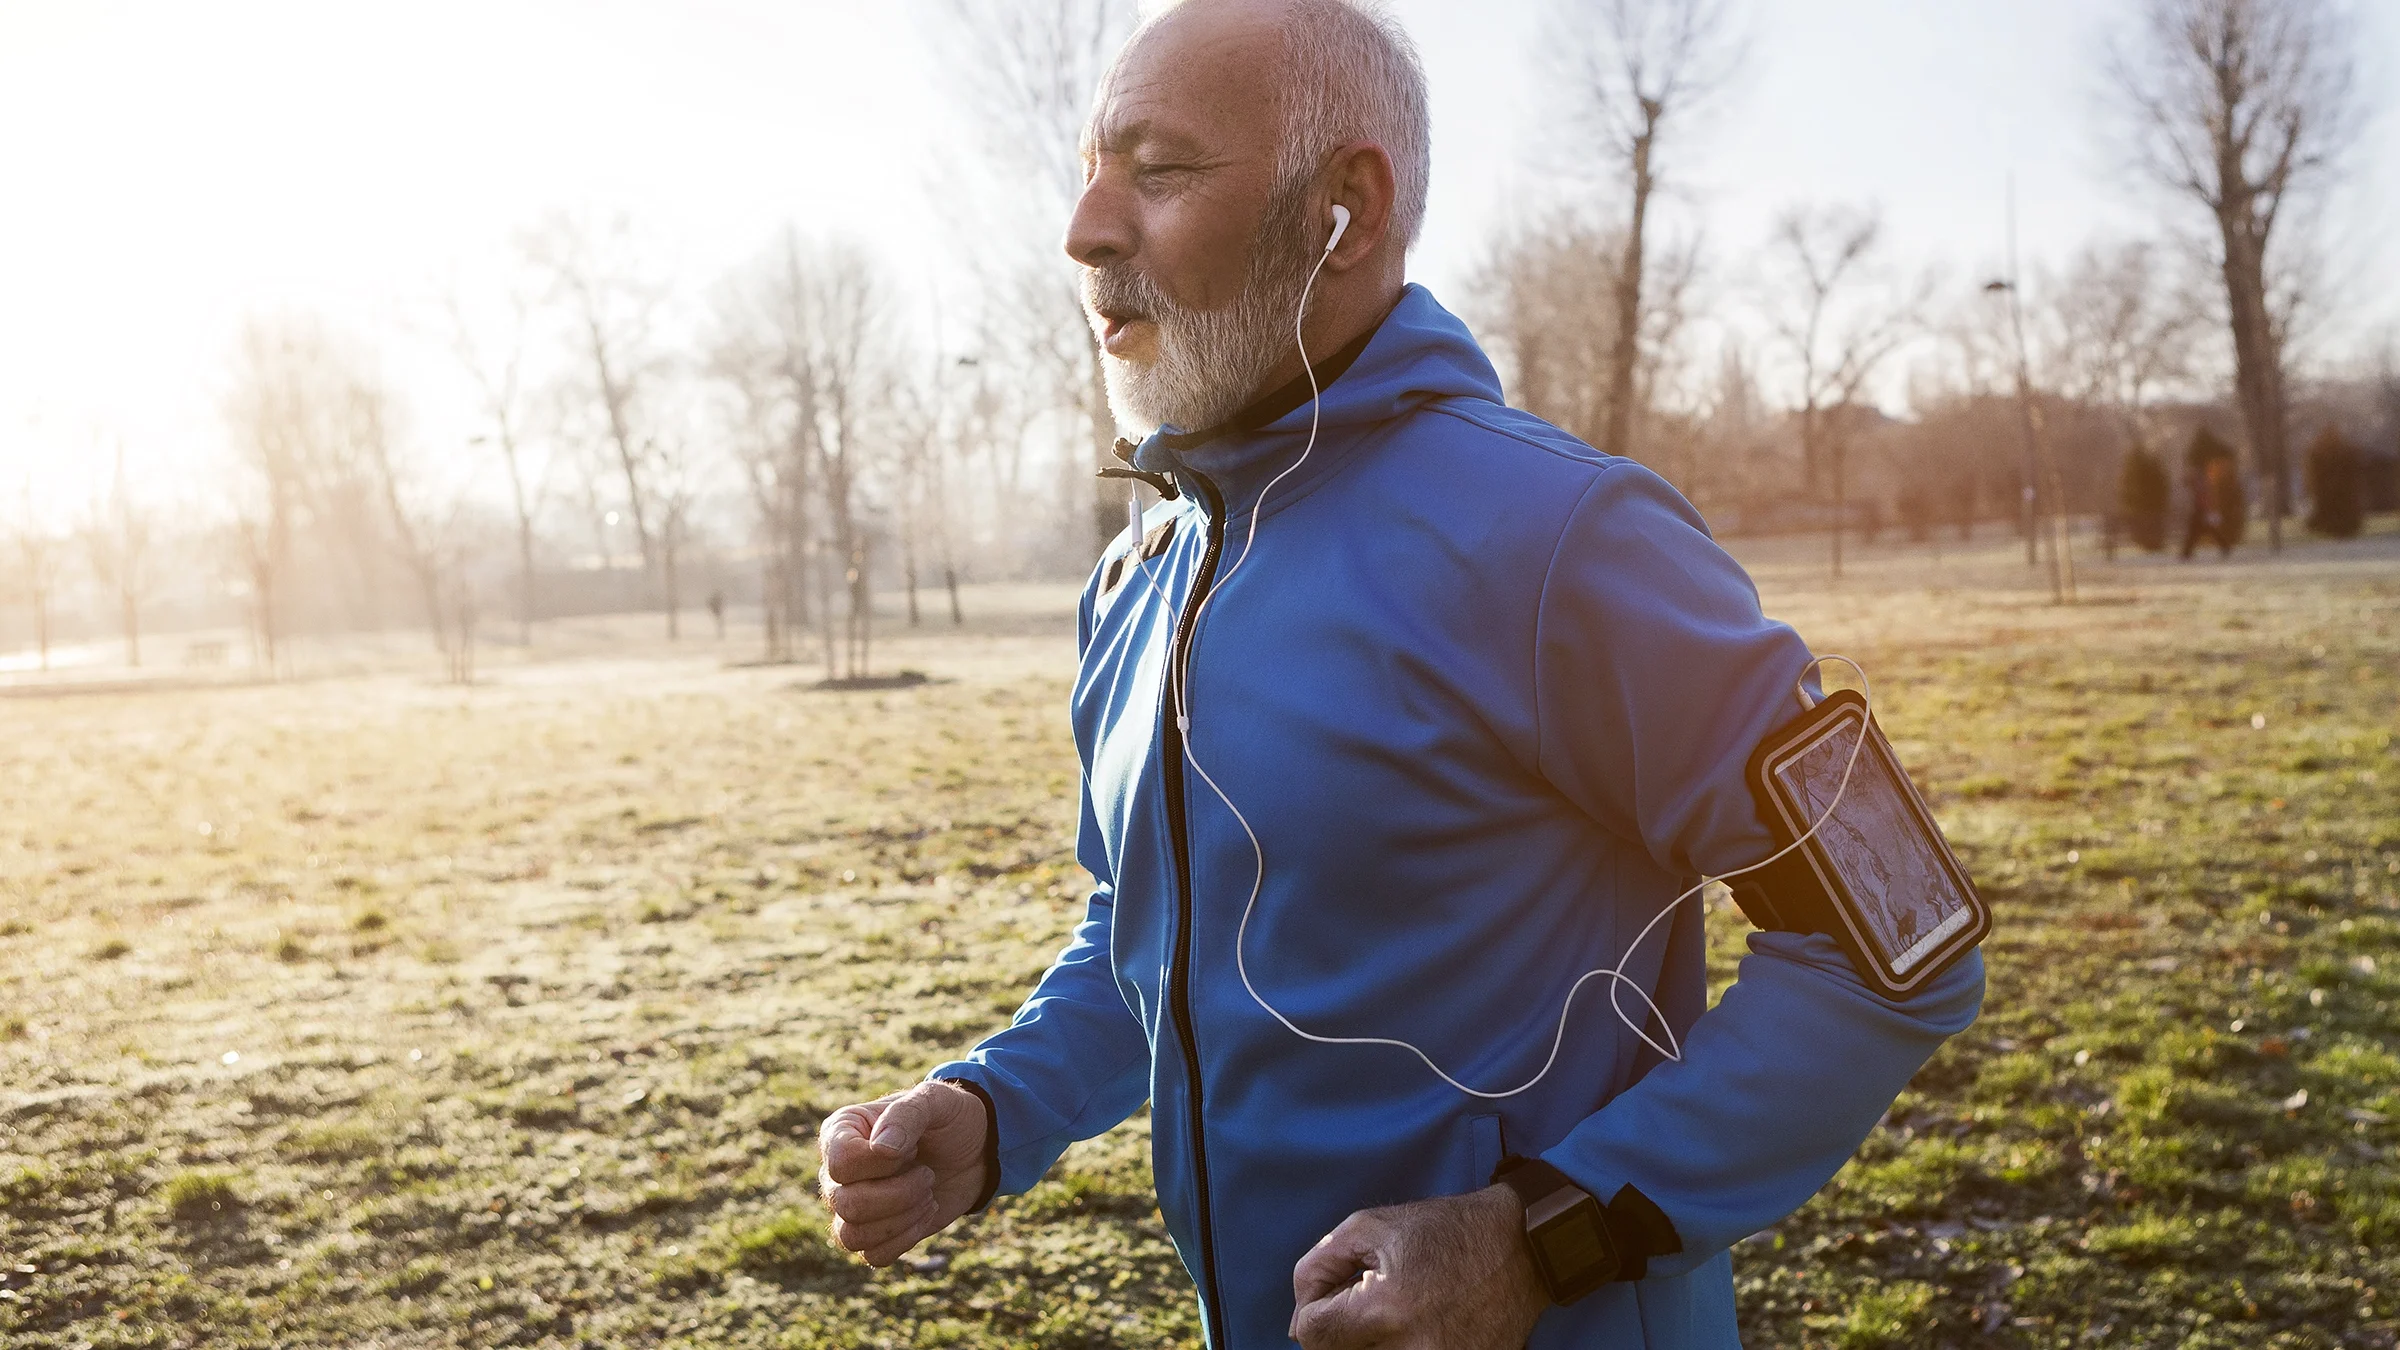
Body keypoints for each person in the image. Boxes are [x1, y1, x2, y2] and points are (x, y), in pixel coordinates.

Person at [817, 3, 1984, 1346]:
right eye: (1088, 169)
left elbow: (1898, 937)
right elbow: (1148, 933)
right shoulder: (1137, 584)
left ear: (1346, 209)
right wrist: (995, 1109)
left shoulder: (1565, 539)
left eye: (1159, 167)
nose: (1085, 227)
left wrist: (1545, 1235)